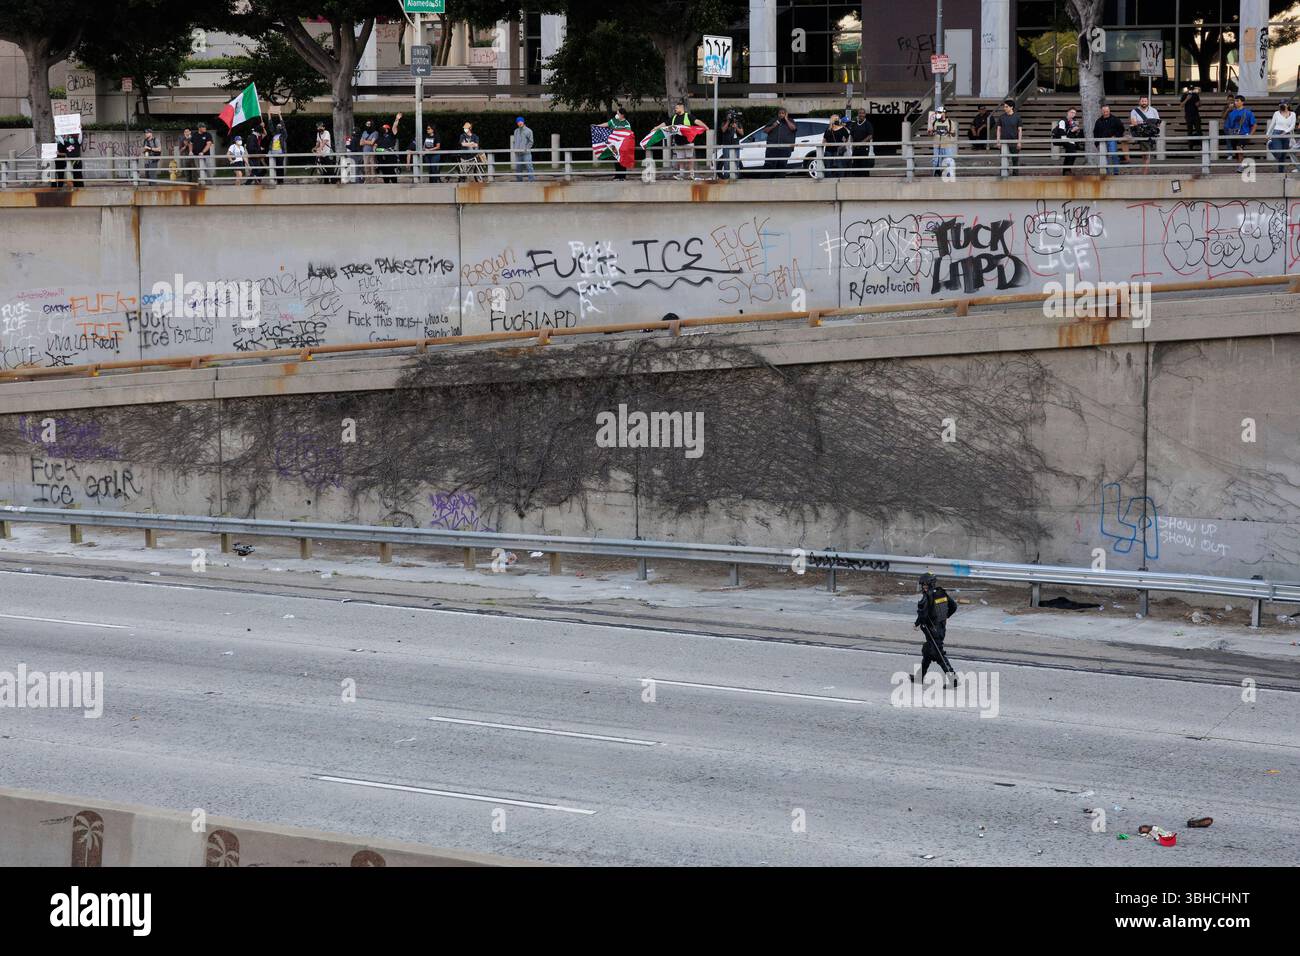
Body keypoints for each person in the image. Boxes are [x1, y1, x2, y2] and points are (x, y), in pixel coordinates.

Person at [912, 573, 958, 688]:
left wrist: (917, 623)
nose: (924, 586)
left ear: (930, 583)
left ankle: (953, 680)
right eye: (923, 584)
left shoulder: (927, 596)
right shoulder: (941, 592)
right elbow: (953, 606)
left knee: (939, 655)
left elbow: (923, 613)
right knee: (927, 652)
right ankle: (920, 677)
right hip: (940, 628)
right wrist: (945, 617)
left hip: (932, 630)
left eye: (925, 584)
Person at [662, 100, 706, 179]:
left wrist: (705, 126)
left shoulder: (688, 116)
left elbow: (697, 121)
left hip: (688, 141)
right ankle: (681, 174)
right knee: (680, 159)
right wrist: (656, 128)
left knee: (690, 158)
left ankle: (691, 174)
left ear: (681, 108)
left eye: (677, 108)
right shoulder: (673, 117)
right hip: (678, 142)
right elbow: (665, 123)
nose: (675, 109)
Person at [761, 107, 797, 178]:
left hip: (785, 149)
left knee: (782, 166)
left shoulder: (791, 121)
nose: (781, 115)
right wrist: (773, 126)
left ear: (786, 114)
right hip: (772, 149)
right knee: (769, 165)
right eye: (780, 113)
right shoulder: (774, 120)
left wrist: (786, 119)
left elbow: (793, 128)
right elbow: (765, 130)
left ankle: (780, 183)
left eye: (783, 113)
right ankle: (765, 182)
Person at [1129, 95, 1161, 173]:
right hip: (1139, 133)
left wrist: (1143, 123)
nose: (1144, 103)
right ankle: (1142, 170)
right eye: (1142, 101)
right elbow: (1134, 122)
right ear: (1139, 102)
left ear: (1148, 102)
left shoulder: (1153, 110)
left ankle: (1144, 173)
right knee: (1145, 155)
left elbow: (1158, 123)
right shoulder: (1134, 111)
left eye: (1145, 101)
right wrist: (1148, 123)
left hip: (1150, 134)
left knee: (1146, 155)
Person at [1225, 95, 1258, 168]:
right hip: (1234, 134)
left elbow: (1254, 125)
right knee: (1236, 152)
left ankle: (1241, 166)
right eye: (1235, 101)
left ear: (1242, 102)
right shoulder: (1231, 113)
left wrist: (1250, 135)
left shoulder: (1248, 112)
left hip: (1244, 134)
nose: (1235, 102)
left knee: (1239, 147)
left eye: (1237, 101)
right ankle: (1239, 165)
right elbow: (1228, 125)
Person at [602, 105, 633, 180]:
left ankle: (622, 176)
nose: (617, 115)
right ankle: (617, 176)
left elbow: (628, 134)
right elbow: (606, 124)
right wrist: (597, 126)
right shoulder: (614, 121)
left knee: (622, 160)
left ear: (622, 115)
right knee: (616, 160)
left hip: (622, 145)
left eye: (618, 113)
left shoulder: (626, 123)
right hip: (614, 145)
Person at [1093, 104, 1125, 175]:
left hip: (1111, 139)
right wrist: (1097, 143)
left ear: (1109, 111)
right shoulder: (1098, 121)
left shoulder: (1115, 119)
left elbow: (1121, 129)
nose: (1105, 113)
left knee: (1114, 155)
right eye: (1104, 111)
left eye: (1107, 111)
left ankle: (1116, 172)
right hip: (1102, 141)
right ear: (1101, 111)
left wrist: (1116, 136)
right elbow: (1095, 133)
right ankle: (1106, 173)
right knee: (1104, 157)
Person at [1266, 100, 1296, 173]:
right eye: (1280, 104)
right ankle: (1270, 144)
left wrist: (1285, 132)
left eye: (1284, 104)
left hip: (1286, 134)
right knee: (1279, 154)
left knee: (1283, 155)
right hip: (1276, 133)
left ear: (1288, 105)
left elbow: (1292, 126)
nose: (1282, 105)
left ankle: (1281, 172)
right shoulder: (1276, 113)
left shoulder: (1292, 114)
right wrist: (1267, 134)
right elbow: (1272, 124)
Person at [1053, 107, 1085, 174]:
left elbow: (1073, 131)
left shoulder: (1072, 121)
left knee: (1071, 154)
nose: (1073, 114)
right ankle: (1066, 170)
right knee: (1071, 152)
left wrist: (1076, 130)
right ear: (1068, 112)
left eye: (1074, 113)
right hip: (1062, 138)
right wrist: (1072, 131)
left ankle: (1067, 170)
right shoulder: (1063, 121)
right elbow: (1062, 133)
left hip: (1069, 139)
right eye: (1072, 112)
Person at [994, 98, 1022, 175]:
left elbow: (1020, 130)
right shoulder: (1002, 117)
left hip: (1014, 141)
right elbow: (998, 129)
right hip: (1003, 141)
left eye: (1006, 107)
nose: (1004, 108)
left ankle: (1015, 174)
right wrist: (998, 141)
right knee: (1003, 158)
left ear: (1011, 107)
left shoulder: (1017, 117)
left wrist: (1019, 142)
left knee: (1015, 159)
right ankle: (1003, 174)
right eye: (1004, 106)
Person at [928, 105, 957, 177]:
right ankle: (937, 172)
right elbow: (930, 133)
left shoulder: (950, 122)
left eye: (940, 112)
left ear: (944, 113)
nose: (939, 113)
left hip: (947, 145)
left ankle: (948, 174)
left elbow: (953, 134)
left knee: (948, 160)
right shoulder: (934, 122)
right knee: (936, 160)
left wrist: (948, 132)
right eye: (938, 112)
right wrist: (931, 132)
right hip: (937, 145)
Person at [845, 107, 874, 175]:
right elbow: (851, 135)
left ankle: (864, 179)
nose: (861, 115)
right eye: (859, 113)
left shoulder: (868, 124)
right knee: (855, 165)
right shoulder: (854, 124)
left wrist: (861, 143)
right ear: (858, 114)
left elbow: (870, 136)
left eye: (862, 113)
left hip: (864, 148)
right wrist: (851, 146)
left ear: (865, 114)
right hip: (855, 149)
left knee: (864, 165)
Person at [821, 112, 851, 178]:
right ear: (832, 120)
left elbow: (847, 138)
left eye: (838, 119)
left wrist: (843, 144)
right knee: (828, 166)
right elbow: (824, 140)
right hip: (829, 150)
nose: (838, 120)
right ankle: (829, 180)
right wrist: (821, 148)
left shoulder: (842, 129)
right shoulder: (828, 130)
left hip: (838, 150)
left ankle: (840, 179)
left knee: (839, 165)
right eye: (836, 119)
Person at [717, 109, 743, 180]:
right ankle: (726, 176)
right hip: (726, 145)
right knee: (726, 162)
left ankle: (736, 176)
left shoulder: (737, 122)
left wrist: (736, 127)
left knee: (736, 161)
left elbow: (742, 133)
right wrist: (728, 121)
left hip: (736, 144)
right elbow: (723, 130)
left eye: (731, 115)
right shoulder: (724, 122)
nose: (730, 117)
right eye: (729, 115)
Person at [376, 113, 402, 183]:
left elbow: (394, 127)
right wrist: (381, 150)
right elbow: (376, 147)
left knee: (392, 174)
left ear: (387, 129)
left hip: (391, 157)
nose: (383, 129)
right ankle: (386, 186)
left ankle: (395, 186)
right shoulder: (379, 137)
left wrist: (397, 119)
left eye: (385, 128)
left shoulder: (391, 135)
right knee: (385, 174)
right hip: (382, 158)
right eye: (383, 128)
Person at [510, 115, 535, 181]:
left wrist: (526, 149)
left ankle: (531, 181)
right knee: (518, 168)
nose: (519, 123)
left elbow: (531, 142)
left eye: (521, 121)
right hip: (518, 153)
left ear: (523, 122)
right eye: (518, 122)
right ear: (517, 123)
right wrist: (515, 148)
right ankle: (519, 182)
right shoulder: (516, 131)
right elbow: (514, 141)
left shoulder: (529, 131)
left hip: (526, 153)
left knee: (529, 167)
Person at [267, 118, 287, 184]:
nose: (278, 128)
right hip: (273, 153)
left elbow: (284, 127)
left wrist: (279, 115)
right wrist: (269, 115)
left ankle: (280, 181)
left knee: (280, 167)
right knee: (273, 167)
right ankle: (274, 180)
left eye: (279, 127)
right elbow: (270, 126)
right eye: (277, 127)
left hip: (280, 153)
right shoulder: (274, 134)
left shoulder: (283, 135)